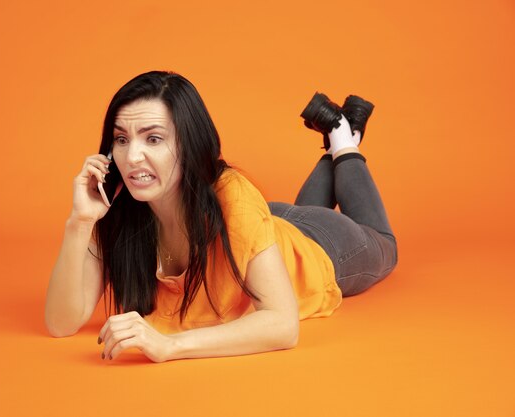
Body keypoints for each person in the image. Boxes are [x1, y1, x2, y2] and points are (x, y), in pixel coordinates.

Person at [45, 71, 398, 362]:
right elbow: (61, 323)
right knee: (290, 214)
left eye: (153, 139)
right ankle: (337, 142)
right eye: (121, 140)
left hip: (320, 245)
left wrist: (170, 346)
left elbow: (283, 325)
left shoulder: (234, 197)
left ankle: (343, 137)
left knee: (384, 245)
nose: (132, 156)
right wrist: (79, 223)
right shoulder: (117, 206)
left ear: (189, 144)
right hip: (263, 222)